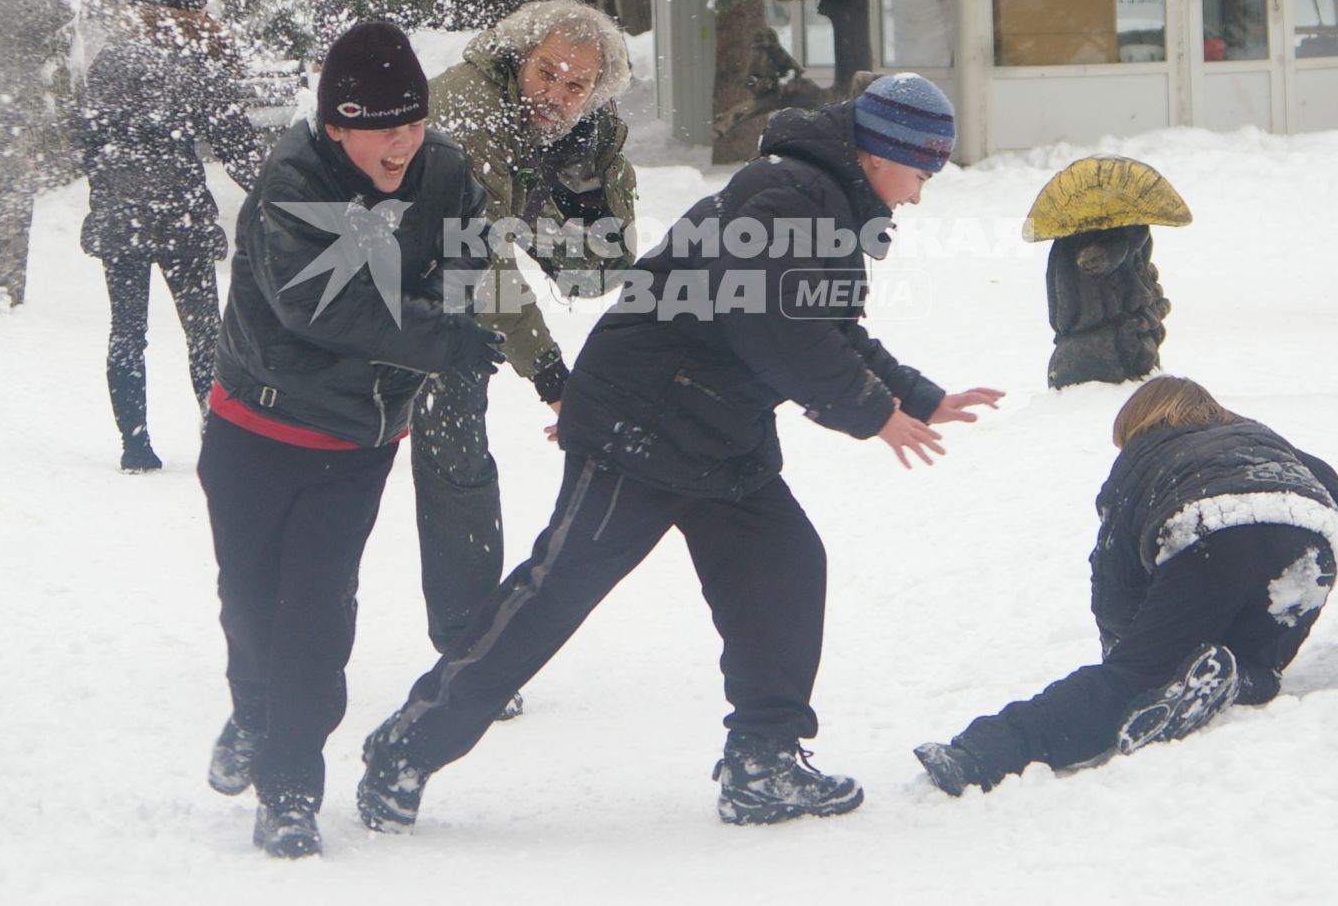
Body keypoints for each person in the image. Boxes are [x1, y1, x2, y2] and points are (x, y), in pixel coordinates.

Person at [356, 73, 1004, 830]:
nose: (919, 196)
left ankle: (762, 758)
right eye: (921, 173)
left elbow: (828, 326)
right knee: (556, 591)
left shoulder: (824, 200)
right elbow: (776, 327)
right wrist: (873, 412)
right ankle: (407, 746)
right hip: (644, 418)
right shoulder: (790, 196)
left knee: (784, 565)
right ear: (883, 152)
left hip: (718, 429)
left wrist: (919, 397)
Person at [196, 20, 501, 859]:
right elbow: (322, 309)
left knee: (317, 613)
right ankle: (252, 709)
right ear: (338, 125)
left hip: (356, 444)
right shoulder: (293, 181)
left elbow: (469, 254)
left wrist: (457, 308)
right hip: (255, 427)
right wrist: (439, 336)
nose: (404, 141)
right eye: (383, 125)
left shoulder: (442, 172)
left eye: (416, 121)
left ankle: (290, 787)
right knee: (250, 599)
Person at [914, 375, 1338, 797]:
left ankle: (979, 754)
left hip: (1206, 530)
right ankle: (1238, 678)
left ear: (1136, 426)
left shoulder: (1140, 459)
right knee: (1258, 656)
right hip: (1311, 538)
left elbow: (1112, 579)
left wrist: (1130, 659)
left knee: (1137, 674)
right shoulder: (1266, 440)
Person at [415, 0, 637, 716]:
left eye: (577, 87)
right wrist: (551, 375)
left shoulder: (538, 126)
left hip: (439, 306)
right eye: (548, 73)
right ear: (521, 57)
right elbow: (482, 264)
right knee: (404, 468)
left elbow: (593, 271)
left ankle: (467, 643)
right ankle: (467, 648)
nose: (558, 95)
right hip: (374, 306)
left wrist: (601, 164)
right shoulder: (473, 111)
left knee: (456, 465)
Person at [73, 0, 263, 472]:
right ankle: (217, 435)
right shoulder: (195, 67)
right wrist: (280, 190)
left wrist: (114, 189)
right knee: (205, 335)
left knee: (127, 332)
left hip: (121, 219)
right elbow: (237, 147)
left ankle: (135, 445)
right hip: (180, 219)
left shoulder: (108, 63)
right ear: (191, 15)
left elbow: (85, 138)